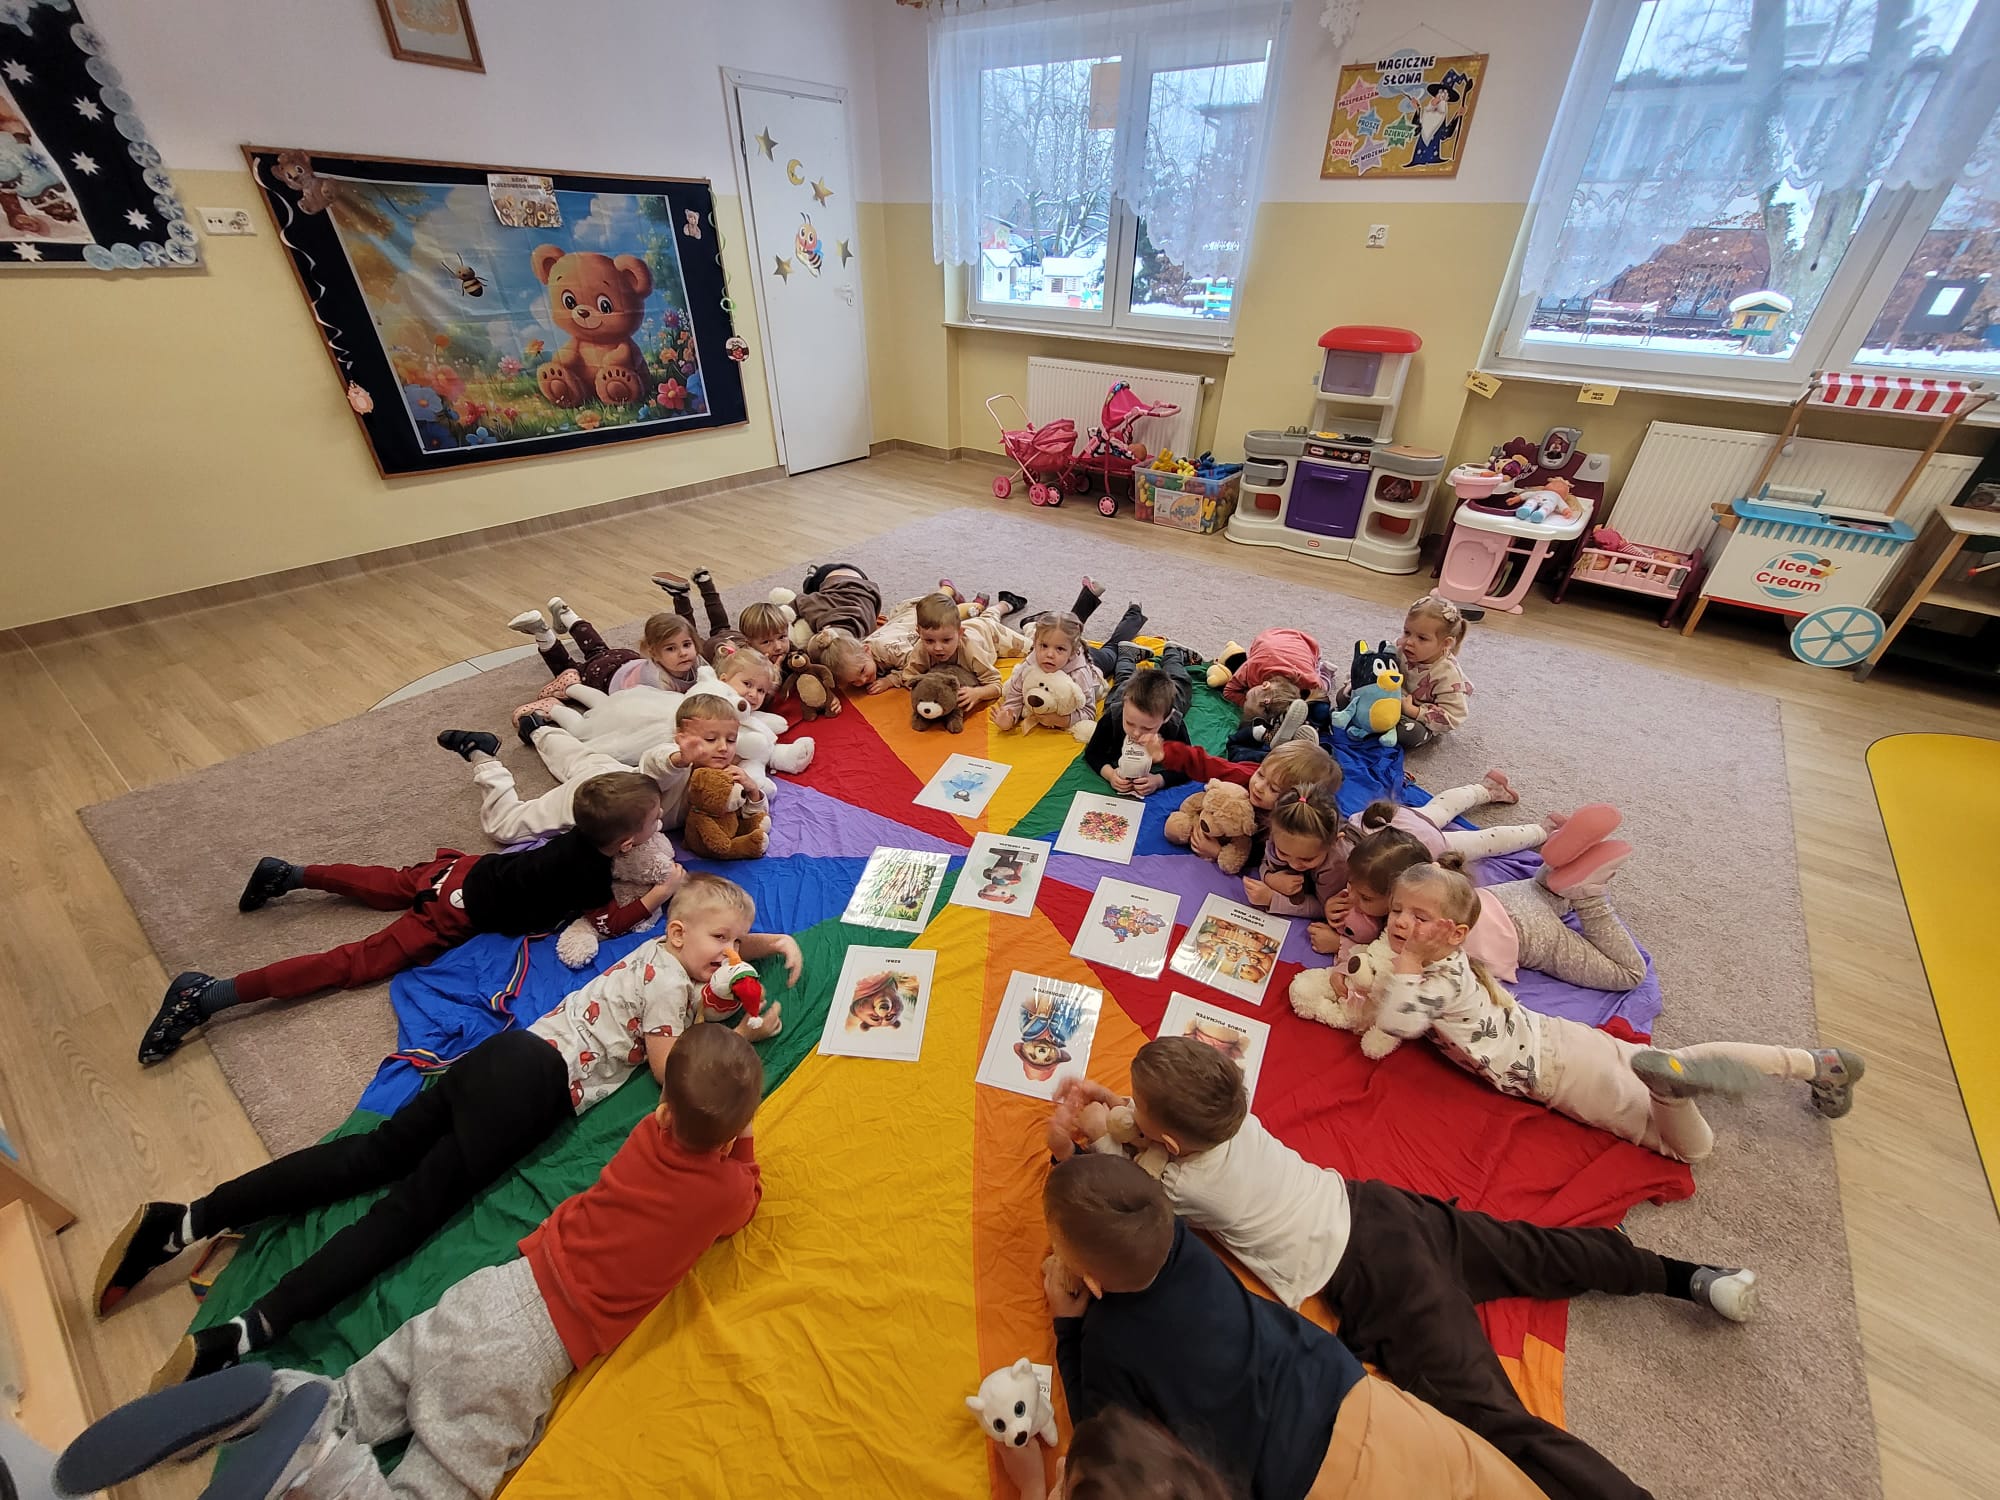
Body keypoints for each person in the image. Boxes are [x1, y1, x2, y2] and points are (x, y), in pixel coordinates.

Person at [99, 877, 796, 1388]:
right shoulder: (670, 987)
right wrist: (743, 1036)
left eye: (737, 942)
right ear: (678, 935)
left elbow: (717, 944)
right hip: (533, 1092)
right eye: (722, 941)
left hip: (505, 1054)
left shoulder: (657, 955)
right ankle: (246, 1332)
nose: (733, 954)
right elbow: (674, 1073)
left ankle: (186, 1219)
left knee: (369, 1157)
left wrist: (768, 943)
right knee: (405, 1216)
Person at [64, 1024, 766, 1500]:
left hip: (489, 1292)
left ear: (663, 1112)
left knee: (358, 1396)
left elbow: (681, 1118)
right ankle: (320, 1461)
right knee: (434, 1486)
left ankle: (276, 1399)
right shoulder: (723, 1190)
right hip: (528, 1355)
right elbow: (746, 1199)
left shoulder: (646, 1136)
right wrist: (743, 1140)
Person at [1050, 1038, 1767, 1500]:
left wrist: (1081, 1141)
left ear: (1170, 1144)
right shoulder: (1237, 1120)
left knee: (1500, 1426)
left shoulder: (1180, 1190)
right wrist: (1122, 1114)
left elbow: (1123, 1193)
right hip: (1385, 1211)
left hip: (1380, 1284)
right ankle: (1687, 1276)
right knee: (1540, 1251)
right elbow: (1155, 1137)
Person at [1041, 1153, 1545, 1500]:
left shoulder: (1107, 1339)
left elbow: (1101, 1438)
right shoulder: (1173, 1235)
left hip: (1302, 1475)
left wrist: (1068, 1325)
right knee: (1477, 1475)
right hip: (1345, 1390)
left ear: (1092, 1281)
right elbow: (1118, 1207)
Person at [137, 773, 674, 1066]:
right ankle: (206, 995)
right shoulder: (590, 873)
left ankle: (291, 873)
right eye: (655, 821)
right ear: (628, 843)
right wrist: (661, 891)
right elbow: (608, 924)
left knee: (386, 881)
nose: (659, 825)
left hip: (463, 871)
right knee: (356, 962)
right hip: (455, 911)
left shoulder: (576, 833)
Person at [1364, 861, 1867, 1157]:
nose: (1402, 923)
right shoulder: (1453, 960)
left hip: (1558, 1074)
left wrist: (1406, 962)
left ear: (1456, 934)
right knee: (1678, 1060)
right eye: (1398, 910)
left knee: (1690, 1149)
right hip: (1563, 1038)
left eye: (1419, 917)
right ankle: (1813, 1062)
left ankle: (1670, 1094)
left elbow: (1398, 1021)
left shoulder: (1439, 977)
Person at [438, 691, 754, 844]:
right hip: (603, 800)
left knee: (576, 756)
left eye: (730, 739)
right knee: (504, 828)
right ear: (680, 737)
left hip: (612, 771)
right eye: (710, 739)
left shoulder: (728, 774)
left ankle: (537, 728)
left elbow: (753, 812)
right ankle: (483, 756)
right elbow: (654, 767)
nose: (723, 747)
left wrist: (753, 791)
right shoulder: (674, 757)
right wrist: (680, 759)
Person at [819, 589, 1024, 696]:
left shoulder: (972, 649)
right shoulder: (921, 648)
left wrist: (977, 693)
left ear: (960, 633)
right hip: (965, 628)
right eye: (929, 640)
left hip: (988, 633)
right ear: (919, 634)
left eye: (946, 640)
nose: (937, 648)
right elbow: (910, 675)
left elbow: (995, 684)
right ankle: (1001, 604)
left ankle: (1004, 606)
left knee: (1029, 647)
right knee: (987, 617)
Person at [991, 604, 1147, 733]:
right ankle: (1088, 597)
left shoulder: (1080, 673)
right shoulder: (1030, 663)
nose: (1049, 654)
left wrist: (1061, 720)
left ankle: (1134, 613)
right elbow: (1016, 694)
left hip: (1095, 662)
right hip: (1072, 652)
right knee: (1063, 632)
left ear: (1072, 651)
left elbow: (1089, 711)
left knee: (1113, 647)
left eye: (1059, 648)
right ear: (1035, 643)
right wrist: (1010, 715)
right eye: (1043, 645)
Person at [507, 598, 698, 697]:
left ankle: (566, 613)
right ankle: (541, 631)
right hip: (603, 677)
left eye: (687, 644)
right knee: (569, 672)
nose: (683, 653)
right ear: (654, 654)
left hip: (626, 659)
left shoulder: (696, 661)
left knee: (597, 649)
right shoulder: (657, 682)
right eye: (671, 649)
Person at [1081, 667, 1189, 799]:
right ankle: (1126, 656)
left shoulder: (1174, 725)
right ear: (1124, 706)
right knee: (1123, 676)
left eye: (1147, 728)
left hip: (1172, 699)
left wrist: (1159, 780)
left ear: (1166, 718)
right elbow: (1093, 752)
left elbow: (1187, 765)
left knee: (1180, 680)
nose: (1136, 733)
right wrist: (1110, 774)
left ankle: (1174, 656)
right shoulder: (1112, 717)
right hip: (1120, 694)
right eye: (1129, 723)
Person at [1392, 594, 1472, 749]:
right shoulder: (1399, 648)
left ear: (1446, 643)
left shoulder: (1448, 674)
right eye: (1407, 632)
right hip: (1391, 699)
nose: (1409, 642)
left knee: (1409, 733)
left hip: (1419, 718)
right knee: (1346, 696)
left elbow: (1453, 717)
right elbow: (1374, 665)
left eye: (1422, 638)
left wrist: (1414, 711)